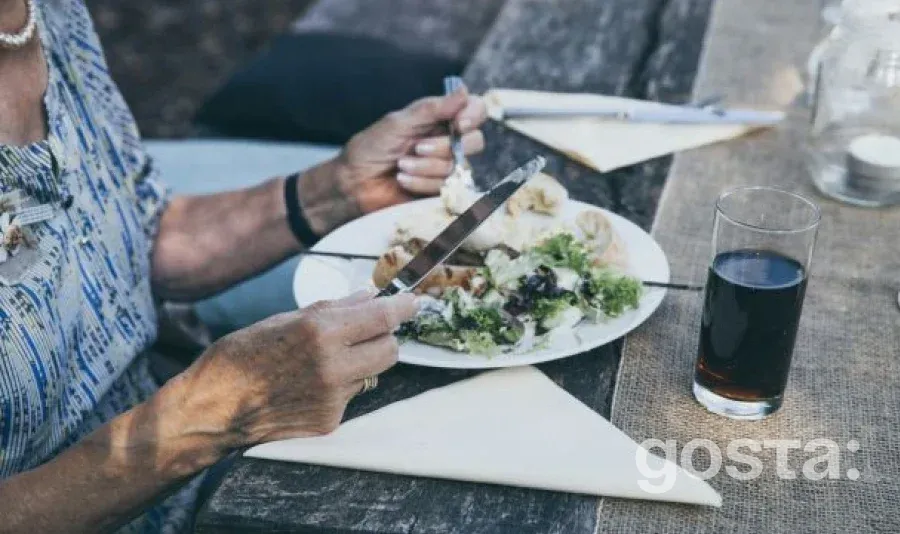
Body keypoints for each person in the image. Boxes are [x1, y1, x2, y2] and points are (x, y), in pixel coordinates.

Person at [0, 0, 487, 532]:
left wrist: (338, 189)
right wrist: (208, 415)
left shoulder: (49, 15)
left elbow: (129, 241)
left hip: (195, 473)